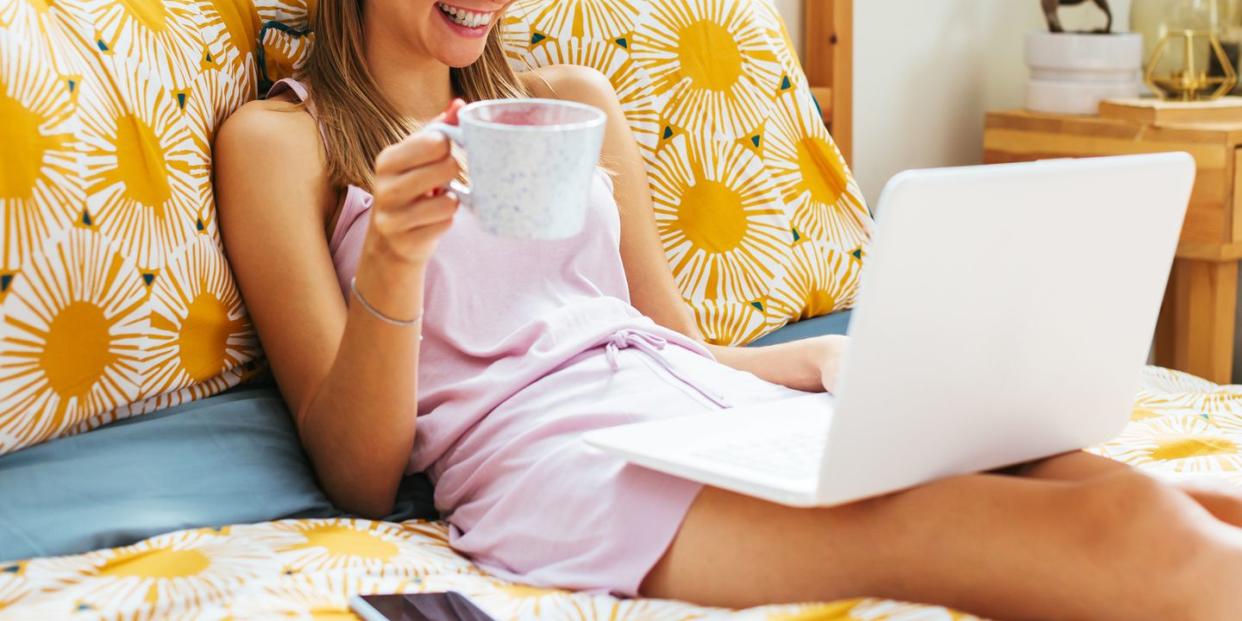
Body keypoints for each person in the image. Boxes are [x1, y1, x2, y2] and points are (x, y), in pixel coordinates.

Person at [213, 1, 1242, 618]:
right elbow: (358, 474)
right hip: (569, 474)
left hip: (715, 416)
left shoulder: (571, 101)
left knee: (1149, 494)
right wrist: (393, 258)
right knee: (1129, 537)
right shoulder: (283, 143)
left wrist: (817, 364)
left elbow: (660, 339)